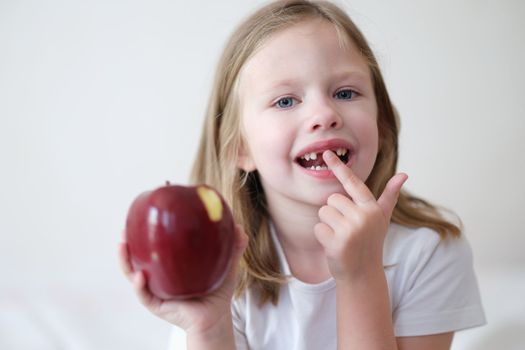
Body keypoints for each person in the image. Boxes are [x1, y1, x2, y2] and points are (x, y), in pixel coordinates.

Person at [119, 1, 486, 349]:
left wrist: (361, 275)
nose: (324, 114)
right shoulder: (220, 269)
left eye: (345, 92)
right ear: (239, 148)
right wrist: (208, 327)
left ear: (382, 124)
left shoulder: (429, 253)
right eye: (285, 101)